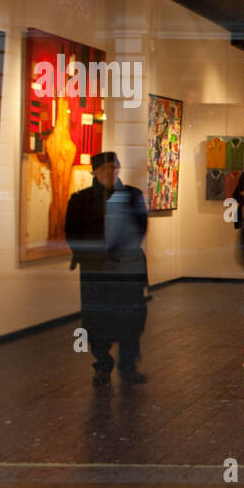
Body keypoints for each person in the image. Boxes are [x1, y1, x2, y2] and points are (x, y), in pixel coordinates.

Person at [64, 151, 150, 386]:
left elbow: (140, 227)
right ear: (95, 172)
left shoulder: (133, 196)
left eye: (114, 169)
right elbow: (73, 234)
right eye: (105, 170)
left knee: (131, 320)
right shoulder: (80, 200)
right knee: (97, 320)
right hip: (96, 271)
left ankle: (128, 366)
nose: (110, 174)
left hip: (127, 269)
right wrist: (93, 257)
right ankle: (102, 365)